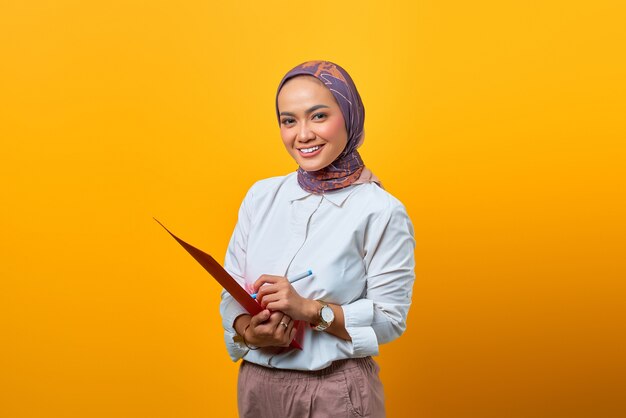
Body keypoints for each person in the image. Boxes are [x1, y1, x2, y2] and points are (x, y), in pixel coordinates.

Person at [219, 60, 416, 418]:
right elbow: (230, 289)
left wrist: (309, 310)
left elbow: (390, 321)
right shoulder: (261, 196)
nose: (303, 134)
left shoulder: (381, 210)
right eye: (288, 120)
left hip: (333, 390)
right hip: (256, 386)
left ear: (350, 116)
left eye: (319, 116)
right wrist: (249, 332)